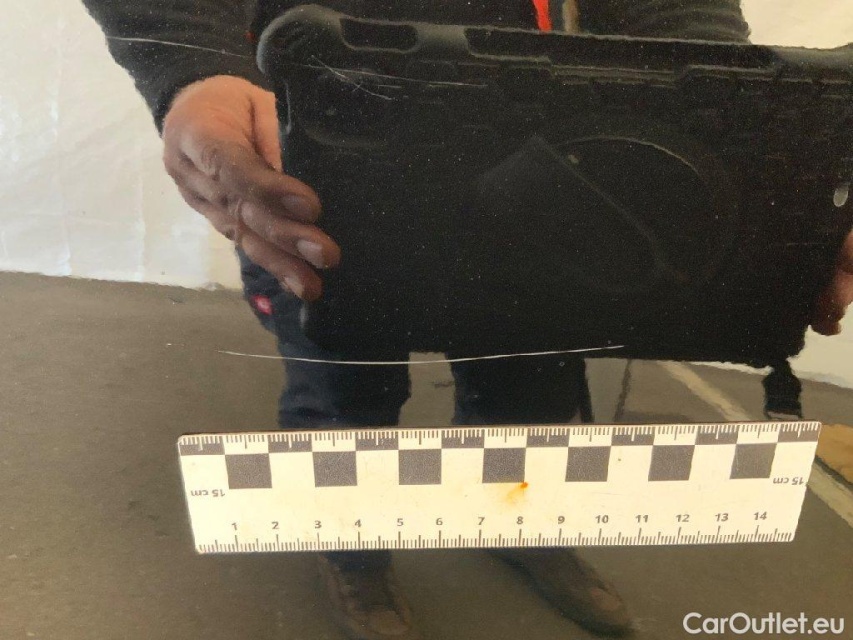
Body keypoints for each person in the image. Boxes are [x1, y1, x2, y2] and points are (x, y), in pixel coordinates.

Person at [81, 1, 853, 639]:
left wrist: (732, 112)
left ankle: (516, 525)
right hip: (324, 149)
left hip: (542, 153)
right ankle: (354, 556)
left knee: (533, 385)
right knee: (343, 397)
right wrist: (194, 69)